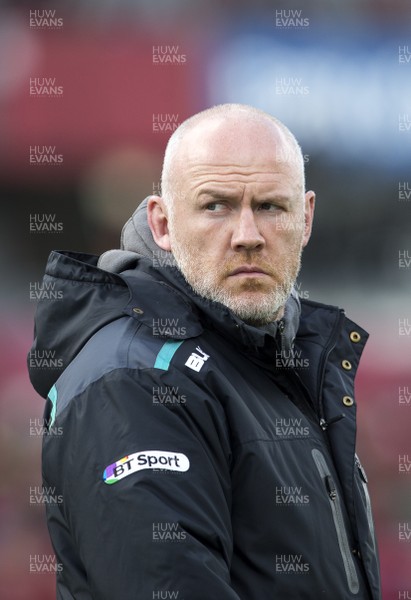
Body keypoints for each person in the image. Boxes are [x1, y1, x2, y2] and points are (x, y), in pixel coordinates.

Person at [28, 104, 381, 599]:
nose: (247, 237)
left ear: (306, 219)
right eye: (215, 206)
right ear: (163, 224)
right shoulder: (134, 380)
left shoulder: (269, 361)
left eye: (271, 207)